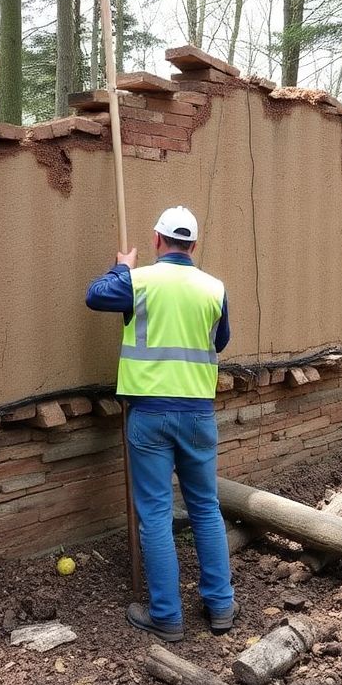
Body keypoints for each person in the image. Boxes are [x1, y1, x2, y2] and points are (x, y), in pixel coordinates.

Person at [86, 206, 238, 641]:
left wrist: (121, 269)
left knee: (154, 514)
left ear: (156, 241)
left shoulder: (138, 282)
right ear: (193, 245)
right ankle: (221, 607)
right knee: (206, 508)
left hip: (149, 416)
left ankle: (167, 617)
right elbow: (220, 340)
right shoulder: (214, 288)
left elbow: (96, 296)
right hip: (197, 415)